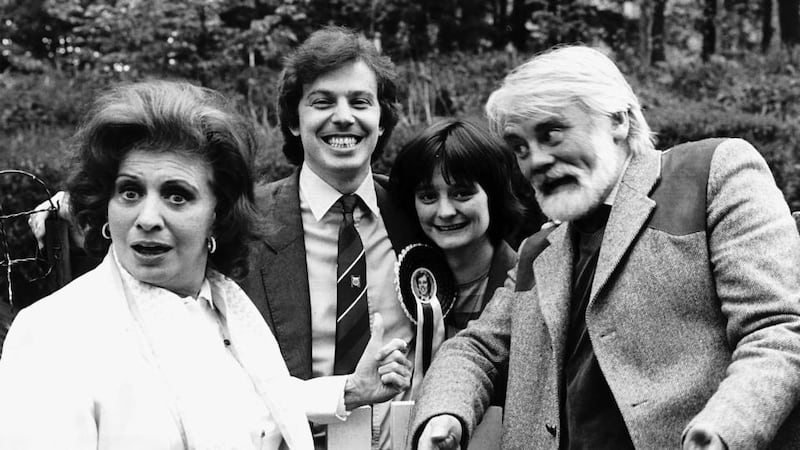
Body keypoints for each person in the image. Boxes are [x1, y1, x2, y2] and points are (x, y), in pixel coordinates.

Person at [410, 45, 800, 450]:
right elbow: (475, 349)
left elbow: (779, 330)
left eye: (551, 133)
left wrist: (723, 430)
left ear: (618, 119)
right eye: (520, 146)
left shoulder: (712, 173)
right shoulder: (537, 251)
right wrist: (444, 415)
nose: (535, 161)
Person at [0, 80, 315, 449]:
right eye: (130, 192)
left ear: (219, 213)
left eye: (176, 196)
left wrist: (351, 389)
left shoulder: (232, 314)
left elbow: (271, 404)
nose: (147, 217)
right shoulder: (53, 334)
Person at [236, 26, 417, 448]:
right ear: (294, 122)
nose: (343, 116)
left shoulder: (419, 214)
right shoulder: (244, 224)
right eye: (322, 102)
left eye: (360, 102)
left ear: (381, 119)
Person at [389, 119, 523, 338]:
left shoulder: (525, 285)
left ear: (493, 196)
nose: (445, 212)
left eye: (461, 193)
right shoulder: (400, 282)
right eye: (428, 197)